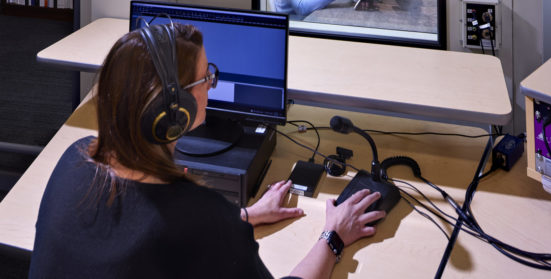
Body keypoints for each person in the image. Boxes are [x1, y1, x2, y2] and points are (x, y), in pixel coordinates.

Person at [29, 23, 385, 279]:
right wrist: (333, 236)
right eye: (206, 78)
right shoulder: (201, 215)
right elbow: (180, 231)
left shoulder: (74, 159)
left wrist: (244, 217)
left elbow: (144, 243)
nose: (211, 85)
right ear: (176, 108)